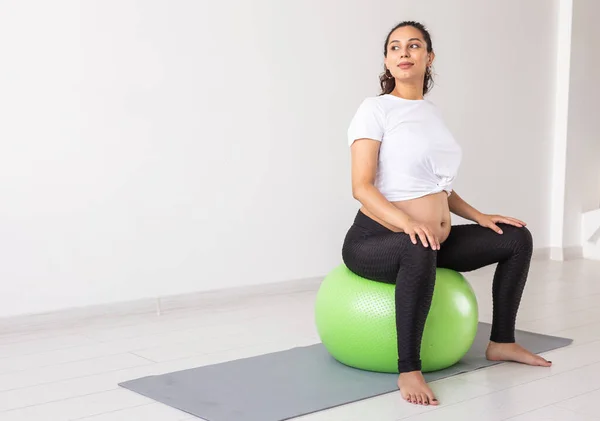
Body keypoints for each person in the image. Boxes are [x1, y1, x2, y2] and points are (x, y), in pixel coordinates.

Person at [342, 20, 552, 407]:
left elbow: (439, 186)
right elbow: (362, 187)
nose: (404, 53)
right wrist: (408, 224)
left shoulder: (431, 113)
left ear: (429, 57)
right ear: (387, 61)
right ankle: (409, 368)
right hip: (375, 240)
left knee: (516, 238)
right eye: (395, 47)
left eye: (414, 45)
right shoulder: (375, 109)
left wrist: (479, 216)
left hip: (429, 240)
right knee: (416, 247)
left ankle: (502, 342)